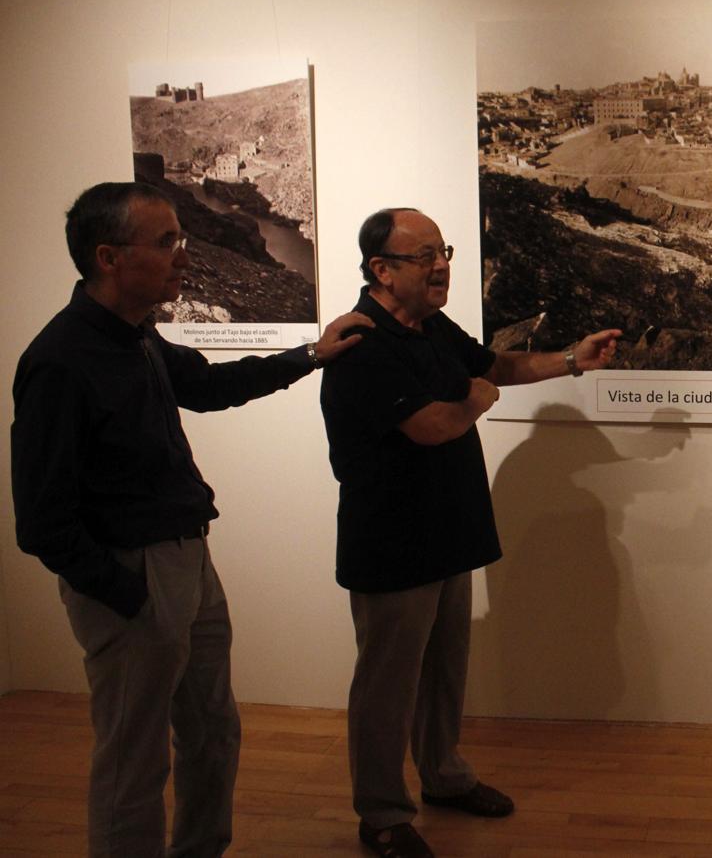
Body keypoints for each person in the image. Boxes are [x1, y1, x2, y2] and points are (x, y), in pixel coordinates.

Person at [10, 181, 373, 858]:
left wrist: (310, 356)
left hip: (187, 562)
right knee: (133, 758)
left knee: (212, 732)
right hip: (133, 573)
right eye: (167, 240)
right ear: (109, 257)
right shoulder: (60, 362)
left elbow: (205, 388)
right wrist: (127, 595)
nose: (185, 253)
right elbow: (41, 519)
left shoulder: (137, 335)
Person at [319, 207, 621, 858]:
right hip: (392, 543)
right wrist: (473, 402)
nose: (441, 265)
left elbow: (495, 366)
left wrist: (572, 359)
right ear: (381, 269)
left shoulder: (427, 327)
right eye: (423, 255)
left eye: (443, 250)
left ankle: (444, 776)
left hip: (447, 530)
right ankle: (381, 815)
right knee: (387, 686)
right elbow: (432, 425)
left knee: (443, 672)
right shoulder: (360, 341)